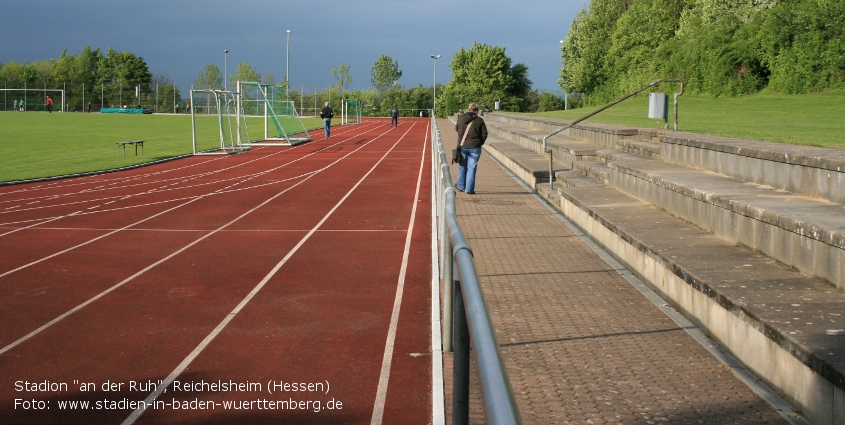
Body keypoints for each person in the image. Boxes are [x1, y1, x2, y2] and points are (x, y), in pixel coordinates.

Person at [454, 103, 488, 194]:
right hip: (475, 147)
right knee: (472, 168)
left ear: (469, 110)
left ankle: (460, 186)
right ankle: (469, 189)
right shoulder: (479, 120)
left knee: (462, 166)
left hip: (463, 145)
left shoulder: (461, 118)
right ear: (477, 111)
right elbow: (484, 133)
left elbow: (457, 129)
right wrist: (480, 142)